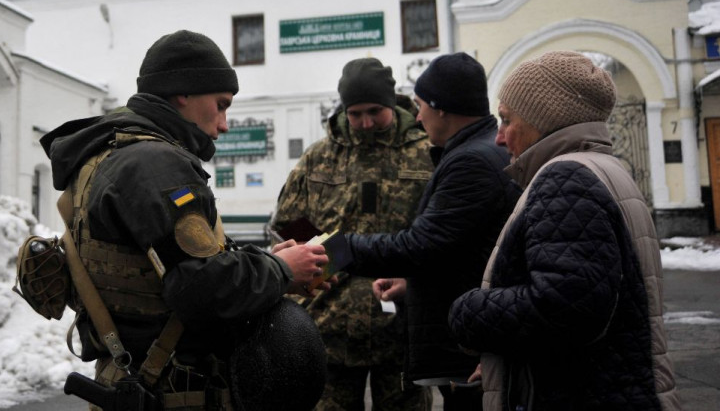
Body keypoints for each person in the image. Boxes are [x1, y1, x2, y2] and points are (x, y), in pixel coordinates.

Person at [40, 30, 329, 411]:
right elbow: (200, 287)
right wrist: (280, 270)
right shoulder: (155, 163)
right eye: (220, 105)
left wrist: (265, 261)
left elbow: (169, 264)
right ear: (183, 92)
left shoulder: (110, 152)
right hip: (170, 387)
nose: (224, 124)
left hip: (136, 375)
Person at [448, 50, 681, 411]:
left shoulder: (566, 179)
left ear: (544, 120)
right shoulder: (599, 168)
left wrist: (468, 311)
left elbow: (566, 308)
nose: (499, 137)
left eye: (507, 119)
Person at [342, 52, 520, 411]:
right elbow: (461, 251)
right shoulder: (479, 149)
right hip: (467, 337)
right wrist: (413, 286)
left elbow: (422, 246)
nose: (418, 115)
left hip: (468, 347)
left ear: (441, 109)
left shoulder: (471, 161)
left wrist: (336, 250)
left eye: (421, 105)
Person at [272, 57, 432, 411]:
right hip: (330, 325)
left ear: (391, 104)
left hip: (403, 328)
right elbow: (287, 224)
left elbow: (442, 234)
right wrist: (331, 259)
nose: (366, 123)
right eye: (355, 113)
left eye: (375, 111)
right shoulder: (318, 158)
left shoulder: (425, 153)